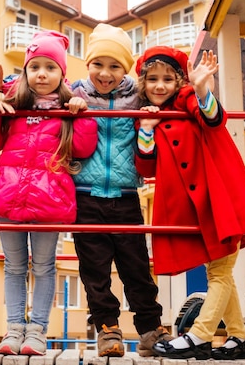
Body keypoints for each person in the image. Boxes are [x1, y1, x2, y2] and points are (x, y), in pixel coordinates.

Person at [133, 45, 245, 360]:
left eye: (168, 79)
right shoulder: (149, 116)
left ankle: (199, 335)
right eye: (152, 79)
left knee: (220, 273)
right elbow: (146, 167)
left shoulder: (186, 100)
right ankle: (239, 337)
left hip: (222, 200)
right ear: (143, 83)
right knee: (219, 271)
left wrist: (200, 87)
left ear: (178, 82)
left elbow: (213, 118)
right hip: (198, 207)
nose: (159, 86)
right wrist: (146, 131)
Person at [0, 30, 97, 356]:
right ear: (26, 72)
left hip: (49, 197)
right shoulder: (13, 106)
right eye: (34, 67)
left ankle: (38, 332)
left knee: (44, 266)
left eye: (50, 67)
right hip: (10, 193)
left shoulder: (69, 108)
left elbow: (84, 148)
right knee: (14, 266)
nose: (41, 73)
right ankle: (13, 329)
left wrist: (81, 115)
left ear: (62, 74)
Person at [69, 23, 173, 357]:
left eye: (114, 66)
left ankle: (149, 329)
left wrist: (152, 114)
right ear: (88, 65)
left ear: (125, 68)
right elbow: (39, 93)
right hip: (86, 194)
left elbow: (168, 95)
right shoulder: (77, 93)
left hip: (126, 196)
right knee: (94, 270)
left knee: (137, 268)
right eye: (98, 64)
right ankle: (107, 329)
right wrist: (68, 104)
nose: (105, 73)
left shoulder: (138, 95)